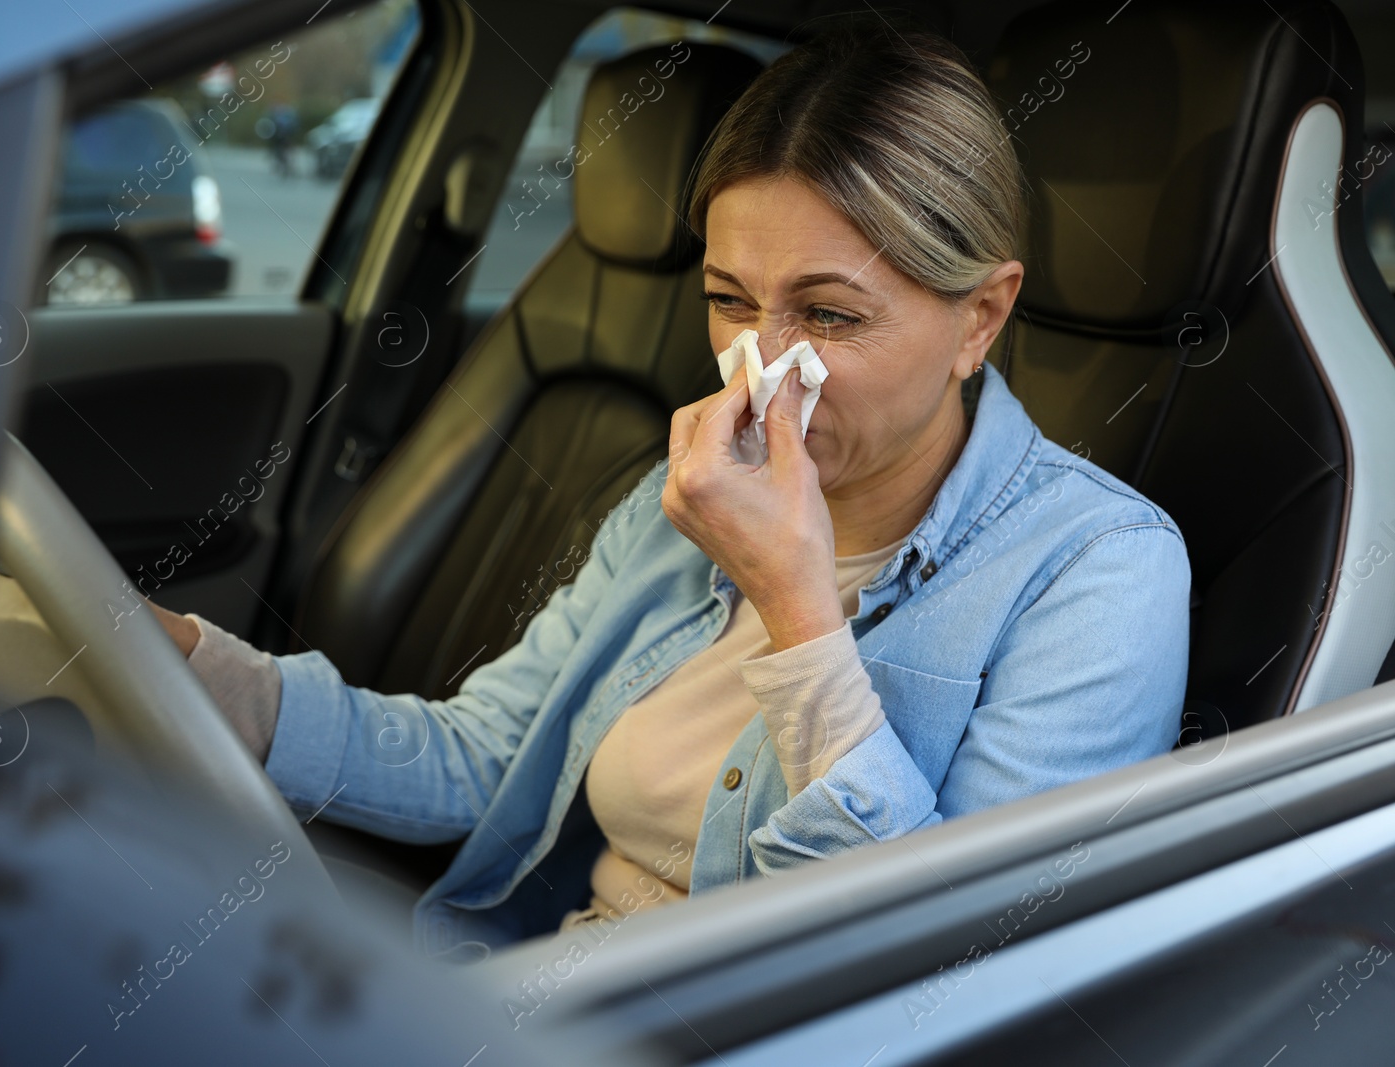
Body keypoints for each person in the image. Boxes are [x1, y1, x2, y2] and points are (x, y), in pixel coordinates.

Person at [152, 21, 1190, 958]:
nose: (759, 367)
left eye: (829, 317)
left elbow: (942, 965)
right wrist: (193, 669)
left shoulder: (1097, 568)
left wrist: (795, 605)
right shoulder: (681, 496)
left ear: (980, 317)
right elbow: (488, 757)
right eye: (729, 302)